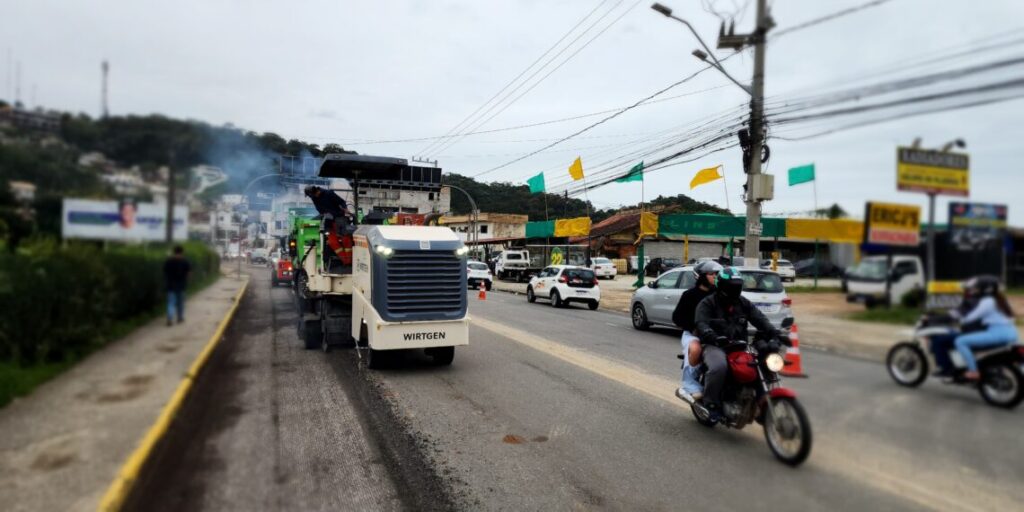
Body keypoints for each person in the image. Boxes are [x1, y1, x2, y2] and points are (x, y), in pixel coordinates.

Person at [694, 267, 779, 423]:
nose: (734, 289)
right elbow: (701, 323)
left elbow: (760, 319)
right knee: (719, 366)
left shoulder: (743, 303)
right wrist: (710, 334)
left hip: (740, 346)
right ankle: (711, 403)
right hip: (715, 345)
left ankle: (760, 403)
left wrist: (773, 333)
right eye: (730, 286)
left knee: (761, 363)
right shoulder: (708, 303)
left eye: (737, 286)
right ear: (721, 286)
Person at [672, 260, 723, 402]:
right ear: (701, 276)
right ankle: (689, 385)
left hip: (716, 335)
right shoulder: (689, 295)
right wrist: (693, 328)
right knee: (695, 349)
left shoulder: (720, 295)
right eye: (712, 274)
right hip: (693, 335)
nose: (715, 277)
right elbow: (677, 317)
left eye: (718, 274)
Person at [952, 276, 1017, 381]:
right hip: (1011, 332)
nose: (974, 290)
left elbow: (972, 317)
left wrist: (958, 320)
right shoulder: (1000, 299)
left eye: (977, 288)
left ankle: (973, 371)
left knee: (960, 341)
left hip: (997, 333)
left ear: (985, 289)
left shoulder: (987, 301)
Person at [304, 186, 353, 265]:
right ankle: (345, 261)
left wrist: (345, 208)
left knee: (346, 240)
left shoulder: (329, 193)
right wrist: (324, 215)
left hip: (339, 218)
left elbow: (341, 201)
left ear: (314, 192)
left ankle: (349, 261)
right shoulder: (314, 199)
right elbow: (320, 210)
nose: (311, 198)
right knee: (332, 241)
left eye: (310, 196)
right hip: (328, 221)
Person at [163, 245, 191, 326]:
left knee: (171, 303)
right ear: (182, 252)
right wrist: (187, 281)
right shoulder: (185, 261)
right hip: (181, 286)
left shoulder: (168, 261)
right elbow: (189, 274)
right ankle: (180, 318)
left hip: (170, 285)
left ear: (174, 252)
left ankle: (170, 318)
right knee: (180, 303)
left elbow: (165, 272)